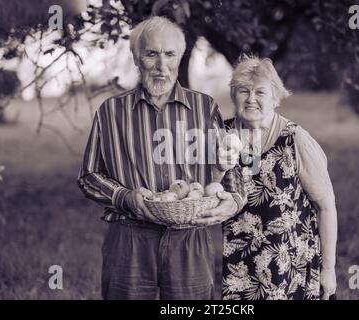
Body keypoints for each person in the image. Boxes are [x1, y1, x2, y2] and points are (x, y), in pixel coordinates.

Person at [77, 16, 244, 300]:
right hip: (129, 237)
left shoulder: (204, 108)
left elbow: (231, 167)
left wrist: (234, 201)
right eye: (151, 54)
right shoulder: (110, 112)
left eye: (169, 54)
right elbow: (90, 176)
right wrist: (123, 197)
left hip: (190, 238)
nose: (161, 65)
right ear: (136, 57)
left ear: (180, 57)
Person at [216, 55, 338, 300]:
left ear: (275, 97)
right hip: (234, 265)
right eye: (243, 91)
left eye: (260, 92)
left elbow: (327, 207)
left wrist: (328, 269)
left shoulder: (295, 139)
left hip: (289, 266)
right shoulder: (220, 135)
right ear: (233, 95)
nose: (251, 99)